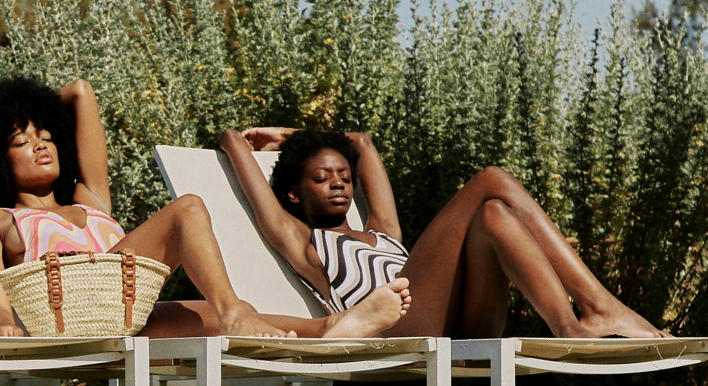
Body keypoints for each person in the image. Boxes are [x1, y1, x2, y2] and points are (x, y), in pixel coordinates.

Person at [0, 76, 411, 339]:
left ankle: (336, 328)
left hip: (133, 315)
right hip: (71, 315)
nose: (42, 147)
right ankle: (233, 313)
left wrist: (31, 112)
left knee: (233, 315)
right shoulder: (6, 220)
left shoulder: (88, 199)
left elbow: (80, 91)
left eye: (47, 137)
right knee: (187, 209)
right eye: (22, 143)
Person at [219, 127, 671, 338]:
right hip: (398, 329)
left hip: (459, 322)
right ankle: (597, 307)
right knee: (491, 179)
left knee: (494, 213)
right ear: (295, 194)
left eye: (343, 176)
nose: (338, 182)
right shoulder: (305, 244)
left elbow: (363, 142)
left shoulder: (383, 231)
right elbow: (230, 138)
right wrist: (258, 142)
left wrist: (298, 134)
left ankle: (572, 324)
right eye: (321, 178)